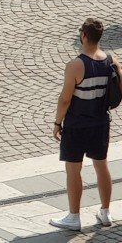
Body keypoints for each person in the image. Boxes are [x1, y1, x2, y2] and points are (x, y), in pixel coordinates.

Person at [49, 18, 117, 232]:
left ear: (83, 36)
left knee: (73, 169)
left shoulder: (76, 65)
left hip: (77, 124)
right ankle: (105, 212)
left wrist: (57, 122)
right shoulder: (111, 60)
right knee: (101, 165)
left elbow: (65, 99)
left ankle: (74, 216)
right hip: (101, 122)